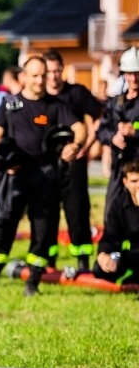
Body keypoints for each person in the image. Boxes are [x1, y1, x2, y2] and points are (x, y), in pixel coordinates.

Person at [0, 56, 86, 297]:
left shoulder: (56, 105)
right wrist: (3, 157)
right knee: (2, 227)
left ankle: (33, 282)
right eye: (35, 76)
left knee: (43, 231)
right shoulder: (11, 104)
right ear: (24, 77)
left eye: (43, 75)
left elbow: (79, 128)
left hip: (45, 176)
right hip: (15, 175)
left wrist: (75, 145)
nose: (40, 80)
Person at [43, 50, 104, 271]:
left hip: (74, 161)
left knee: (77, 210)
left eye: (56, 70)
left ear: (62, 70)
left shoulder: (77, 93)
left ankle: (82, 260)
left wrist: (85, 147)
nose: (52, 76)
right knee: (47, 212)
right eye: (48, 72)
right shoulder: (39, 96)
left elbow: (99, 117)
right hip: (47, 164)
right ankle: (48, 260)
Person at [98, 46, 139, 214]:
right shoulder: (115, 102)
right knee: (112, 209)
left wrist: (135, 132)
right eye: (129, 73)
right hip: (120, 165)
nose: (133, 78)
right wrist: (112, 138)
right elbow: (102, 128)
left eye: (137, 73)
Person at [94, 159, 139, 286]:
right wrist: (103, 255)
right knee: (99, 269)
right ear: (125, 182)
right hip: (133, 255)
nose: (138, 186)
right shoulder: (119, 204)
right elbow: (110, 235)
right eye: (134, 181)